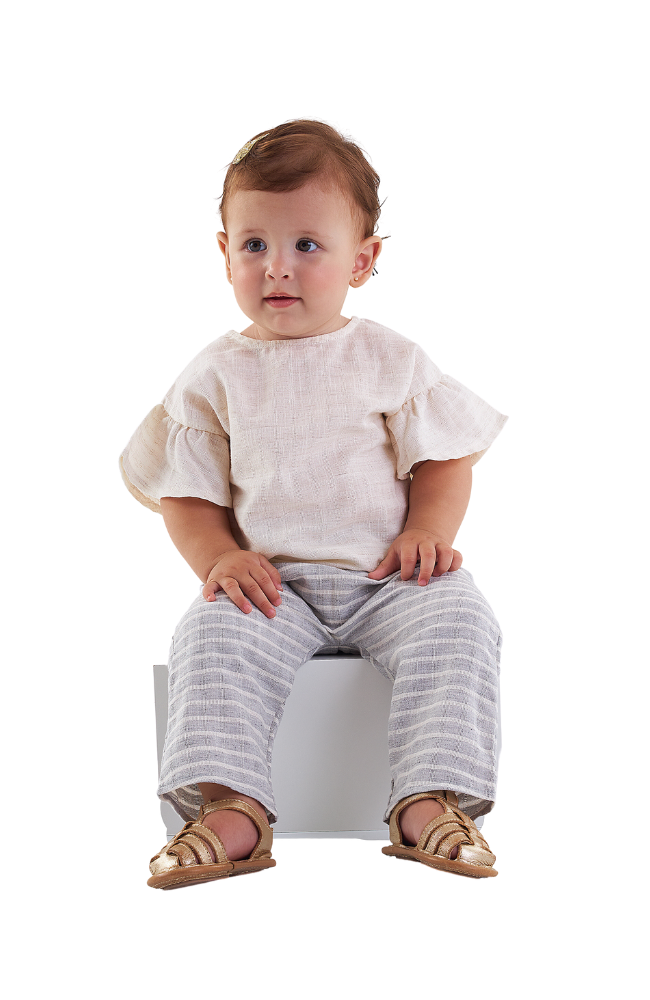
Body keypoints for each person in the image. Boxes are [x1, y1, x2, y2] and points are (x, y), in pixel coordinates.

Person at [119, 119, 508, 890]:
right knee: (209, 635)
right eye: (255, 244)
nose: (277, 269)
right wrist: (220, 558)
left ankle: (427, 800)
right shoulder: (216, 375)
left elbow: (444, 458)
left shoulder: (389, 359)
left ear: (362, 262)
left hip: (387, 579)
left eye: (307, 245)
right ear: (223, 252)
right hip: (275, 588)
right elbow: (186, 496)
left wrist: (428, 530)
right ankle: (231, 809)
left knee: (461, 617)